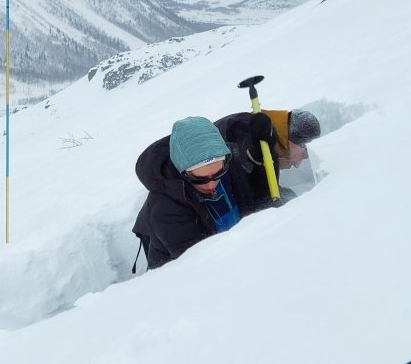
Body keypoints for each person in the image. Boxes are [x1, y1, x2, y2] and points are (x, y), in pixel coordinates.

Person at [131, 109, 321, 270]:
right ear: (182, 172)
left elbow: (255, 204)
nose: (211, 184)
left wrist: (264, 154)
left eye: (218, 173)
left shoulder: (232, 169)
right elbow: (204, 267)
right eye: (199, 179)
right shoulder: (166, 210)